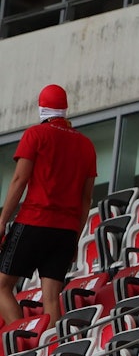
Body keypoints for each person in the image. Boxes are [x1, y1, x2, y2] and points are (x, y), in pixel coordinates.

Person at [0, 85, 96, 325]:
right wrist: (75, 236)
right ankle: (49, 352)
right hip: (65, 230)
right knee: (51, 298)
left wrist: (2, 221)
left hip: (34, 221)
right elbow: (86, 199)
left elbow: (20, 179)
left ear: (41, 108)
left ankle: (22, 341)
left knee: (1, 287)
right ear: (65, 109)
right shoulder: (86, 146)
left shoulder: (35, 135)